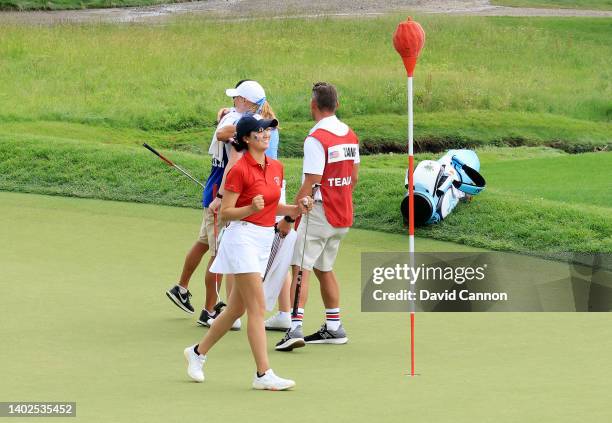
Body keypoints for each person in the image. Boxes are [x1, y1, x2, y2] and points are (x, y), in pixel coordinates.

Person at [183, 115, 313, 390]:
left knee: (235, 309)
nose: (266, 134)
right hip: (240, 236)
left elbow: (274, 206)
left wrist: (296, 208)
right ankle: (263, 374)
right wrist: (250, 209)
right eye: (260, 131)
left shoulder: (277, 167)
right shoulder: (238, 170)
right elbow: (225, 212)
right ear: (246, 138)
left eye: (268, 130)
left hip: (264, 239)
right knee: (256, 308)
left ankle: (197, 352)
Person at [165, 80, 267, 330]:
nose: (233, 101)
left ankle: (181, 288)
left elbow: (225, 124)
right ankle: (209, 310)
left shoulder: (236, 119)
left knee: (203, 243)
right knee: (218, 254)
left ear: (245, 101)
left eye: (237, 98)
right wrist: (221, 197)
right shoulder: (238, 124)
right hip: (220, 193)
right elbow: (228, 146)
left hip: (217, 190)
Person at [275, 82, 360, 352]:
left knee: (301, 268)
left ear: (313, 105)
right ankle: (334, 327)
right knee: (325, 268)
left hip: (320, 213)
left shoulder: (316, 138)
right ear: (337, 105)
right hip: (342, 214)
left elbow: (312, 181)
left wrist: (291, 214)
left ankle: (294, 327)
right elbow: (353, 178)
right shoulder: (349, 134)